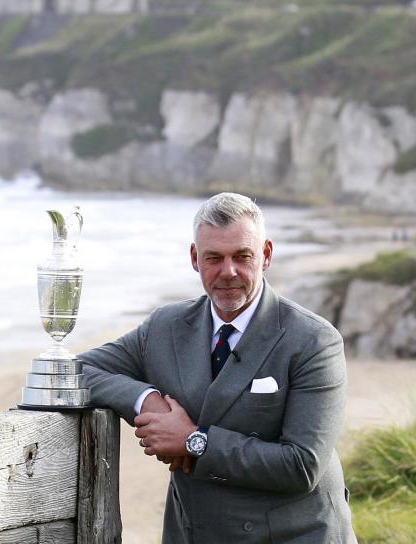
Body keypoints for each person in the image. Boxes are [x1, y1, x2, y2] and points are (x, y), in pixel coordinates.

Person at [79, 192, 357, 544]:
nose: (228, 272)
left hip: (296, 535)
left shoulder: (314, 340)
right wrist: (147, 401)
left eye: (243, 256)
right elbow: (79, 370)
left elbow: (302, 465)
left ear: (266, 255)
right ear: (195, 258)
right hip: (195, 532)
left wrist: (194, 441)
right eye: (214, 258)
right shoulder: (165, 327)